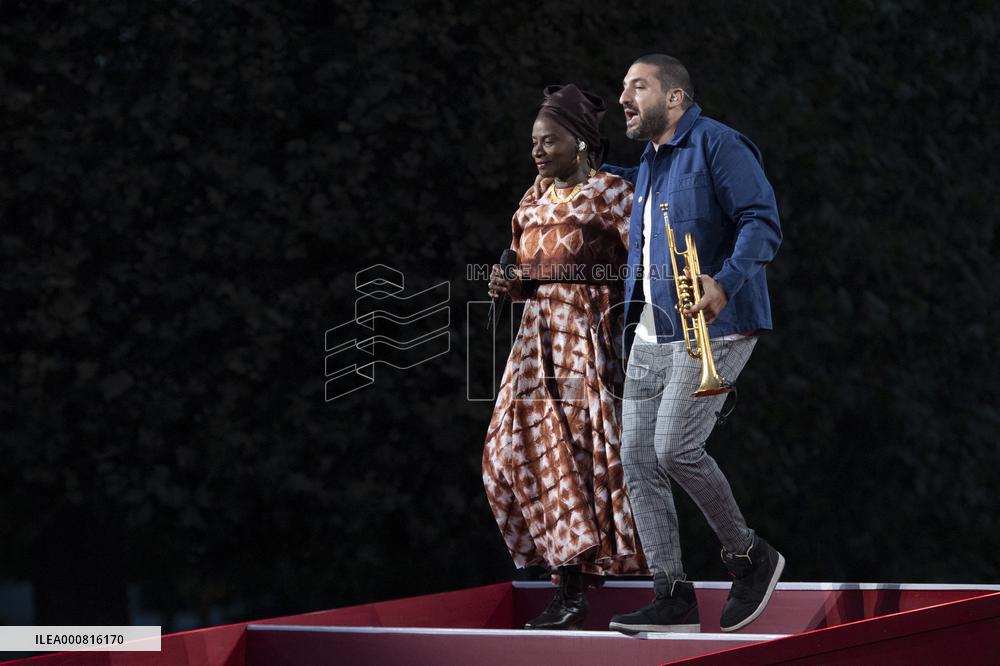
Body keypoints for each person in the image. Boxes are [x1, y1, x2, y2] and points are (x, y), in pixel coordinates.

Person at [600, 54, 785, 634]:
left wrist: (724, 282)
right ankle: (672, 594)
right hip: (652, 332)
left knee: (674, 449)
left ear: (674, 97)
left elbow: (762, 220)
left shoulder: (720, 145)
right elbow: (637, 202)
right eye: (622, 88)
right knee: (634, 459)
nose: (624, 97)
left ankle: (749, 557)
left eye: (638, 87)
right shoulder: (651, 162)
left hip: (716, 327)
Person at [482, 84, 648, 631]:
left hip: (586, 334)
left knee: (568, 453)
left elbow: (644, 266)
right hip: (534, 339)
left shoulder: (612, 193)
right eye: (533, 141)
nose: (536, 151)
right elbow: (520, 264)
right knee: (504, 453)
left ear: (578, 143)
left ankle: (572, 587)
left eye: (547, 140)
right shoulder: (532, 199)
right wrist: (509, 284)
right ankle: (563, 568)